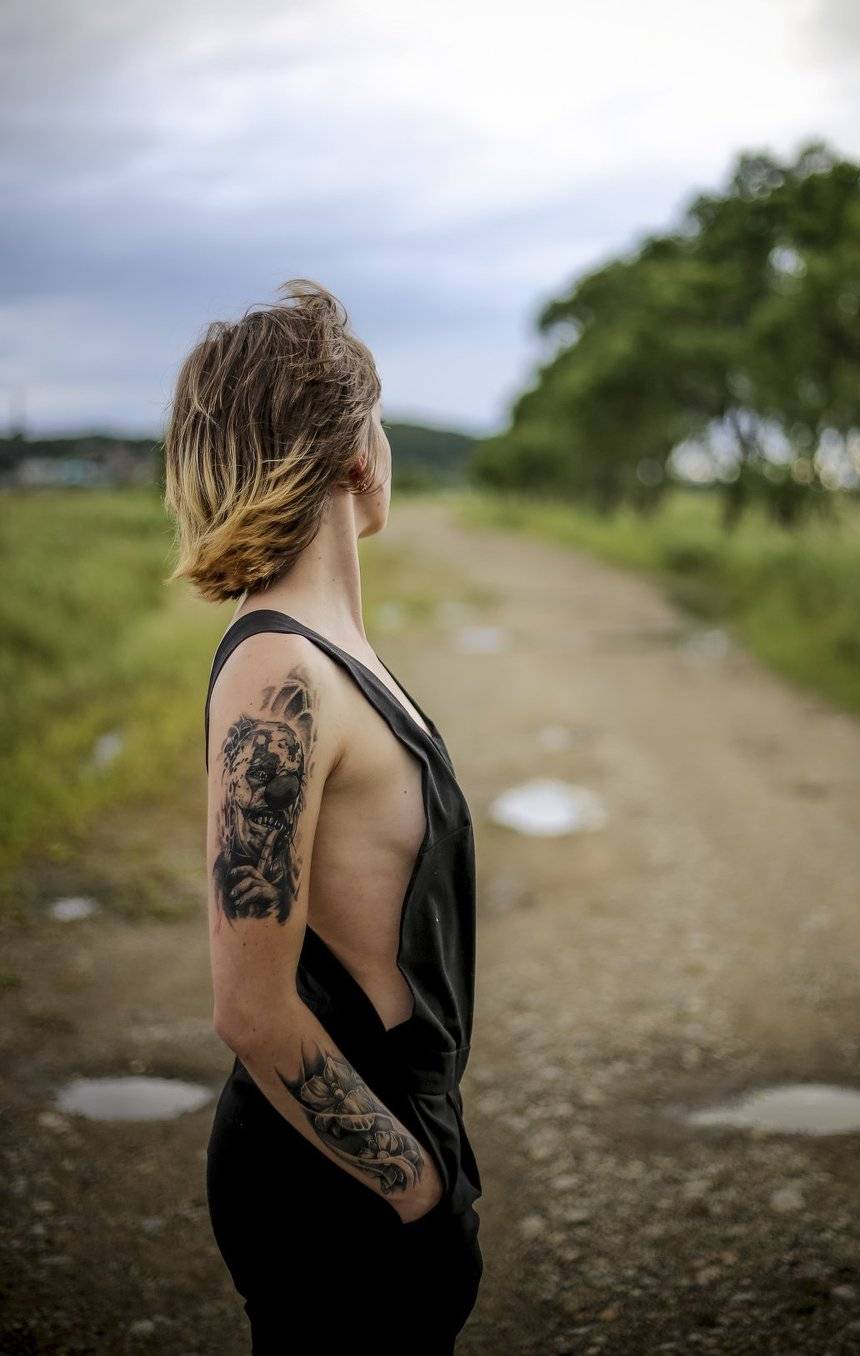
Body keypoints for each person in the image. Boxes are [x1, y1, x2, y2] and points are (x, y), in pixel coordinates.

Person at [162, 278, 484, 1352]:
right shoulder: (279, 671)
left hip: (392, 1118)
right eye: (377, 420)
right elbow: (252, 1009)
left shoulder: (334, 649)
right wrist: (411, 1186)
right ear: (352, 451)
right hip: (330, 1177)